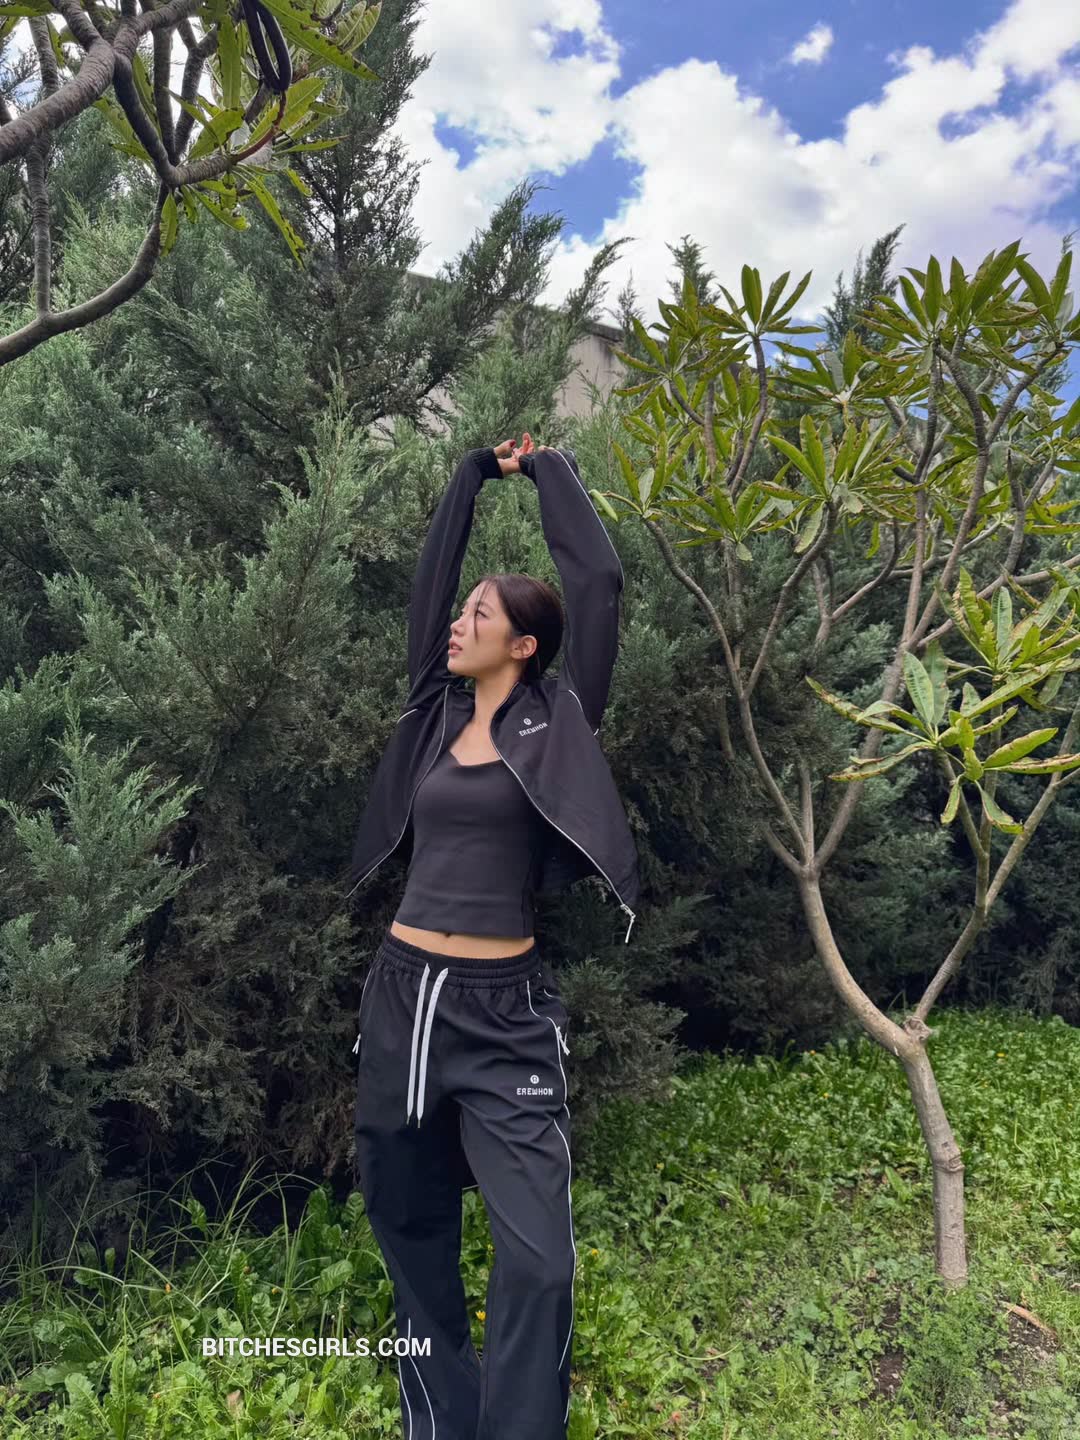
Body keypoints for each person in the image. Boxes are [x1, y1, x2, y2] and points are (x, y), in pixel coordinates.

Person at [350, 432, 640, 1439]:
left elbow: (597, 584)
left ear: (524, 646)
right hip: (403, 1002)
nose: (458, 623)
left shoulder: (562, 720)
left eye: (481, 615)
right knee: (411, 1229)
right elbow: (428, 587)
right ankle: (440, 1423)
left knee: (540, 1260)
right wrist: (469, 475)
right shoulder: (432, 712)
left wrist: (550, 470)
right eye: (463, 611)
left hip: (505, 1017)